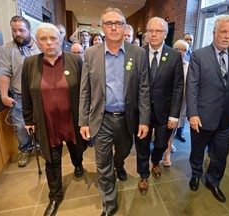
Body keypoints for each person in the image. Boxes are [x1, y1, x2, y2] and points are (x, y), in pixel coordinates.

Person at [79, 7, 150, 215]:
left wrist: (144, 120)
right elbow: (85, 90)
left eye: (118, 23)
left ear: (124, 26)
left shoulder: (137, 54)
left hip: (127, 119)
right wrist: (83, 121)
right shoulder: (91, 54)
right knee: (103, 164)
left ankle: (119, 165)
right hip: (101, 119)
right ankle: (109, 204)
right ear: (102, 28)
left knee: (123, 153)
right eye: (109, 23)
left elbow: (144, 89)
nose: (113, 27)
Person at [21, 23, 87, 216]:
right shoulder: (30, 63)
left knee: (77, 150)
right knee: (52, 160)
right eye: (43, 39)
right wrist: (28, 119)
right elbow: (26, 93)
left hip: (72, 121)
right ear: (37, 41)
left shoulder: (75, 61)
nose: (49, 43)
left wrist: (86, 120)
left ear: (61, 39)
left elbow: (85, 93)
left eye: (53, 38)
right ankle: (55, 196)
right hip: (47, 123)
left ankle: (78, 164)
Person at [186, 15, 229, 203]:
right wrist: (192, 113)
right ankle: (195, 174)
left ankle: (213, 180)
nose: (227, 36)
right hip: (203, 116)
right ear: (214, 33)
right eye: (223, 32)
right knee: (198, 149)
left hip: (226, 119)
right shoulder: (199, 55)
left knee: (220, 153)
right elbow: (192, 86)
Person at [135, 17, 184, 196]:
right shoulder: (138, 53)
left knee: (162, 144)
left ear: (165, 34)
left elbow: (178, 86)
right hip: (142, 111)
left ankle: (156, 162)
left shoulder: (174, 56)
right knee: (142, 145)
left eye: (159, 31)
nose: (154, 34)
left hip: (165, 112)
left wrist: (174, 115)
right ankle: (143, 175)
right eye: (151, 30)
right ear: (146, 33)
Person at [0, 15, 41, 167]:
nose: (18, 34)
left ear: (29, 30)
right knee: (21, 125)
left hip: (41, 94)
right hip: (20, 95)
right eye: (14, 30)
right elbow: (4, 74)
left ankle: (42, 147)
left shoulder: (41, 46)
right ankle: (25, 149)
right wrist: (3, 95)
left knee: (43, 122)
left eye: (21, 30)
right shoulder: (5, 50)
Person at [163, 39, 189, 166]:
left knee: (172, 128)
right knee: (162, 127)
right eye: (178, 49)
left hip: (180, 103)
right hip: (165, 101)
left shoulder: (188, 66)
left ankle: (167, 153)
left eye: (183, 50)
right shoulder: (166, 63)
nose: (180, 52)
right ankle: (163, 147)